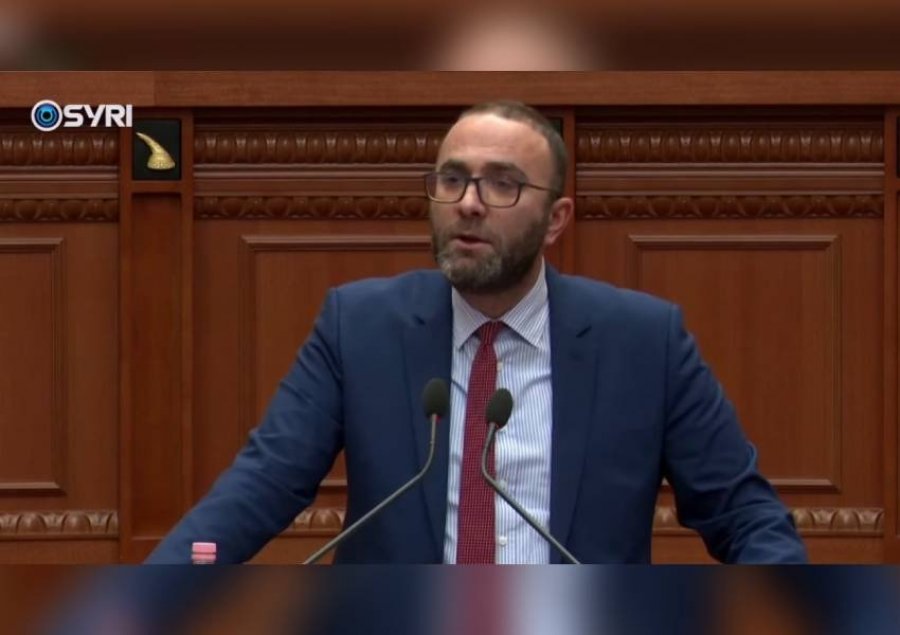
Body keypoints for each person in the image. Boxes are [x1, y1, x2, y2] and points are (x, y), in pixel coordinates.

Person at [146, 101, 807, 564]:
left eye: (502, 185)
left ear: (556, 219)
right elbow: (262, 486)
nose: (468, 203)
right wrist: (157, 594)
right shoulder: (360, 327)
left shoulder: (643, 341)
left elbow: (742, 514)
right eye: (453, 179)